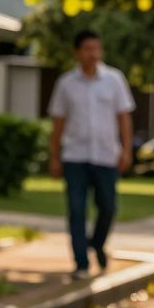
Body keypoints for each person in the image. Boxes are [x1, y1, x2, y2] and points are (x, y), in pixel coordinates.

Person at [47, 30, 135, 279]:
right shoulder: (66, 84)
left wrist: (126, 150)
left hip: (106, 155)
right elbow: (58, 124)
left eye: (96, 48)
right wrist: (54, 156)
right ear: (77, 52)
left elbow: (124, 118)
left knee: (108, 206)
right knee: (76, 208)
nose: (93, 54)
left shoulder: (114, 80)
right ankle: (81, 262)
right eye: (87, 49)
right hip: (75, 155)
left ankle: (96, 242)